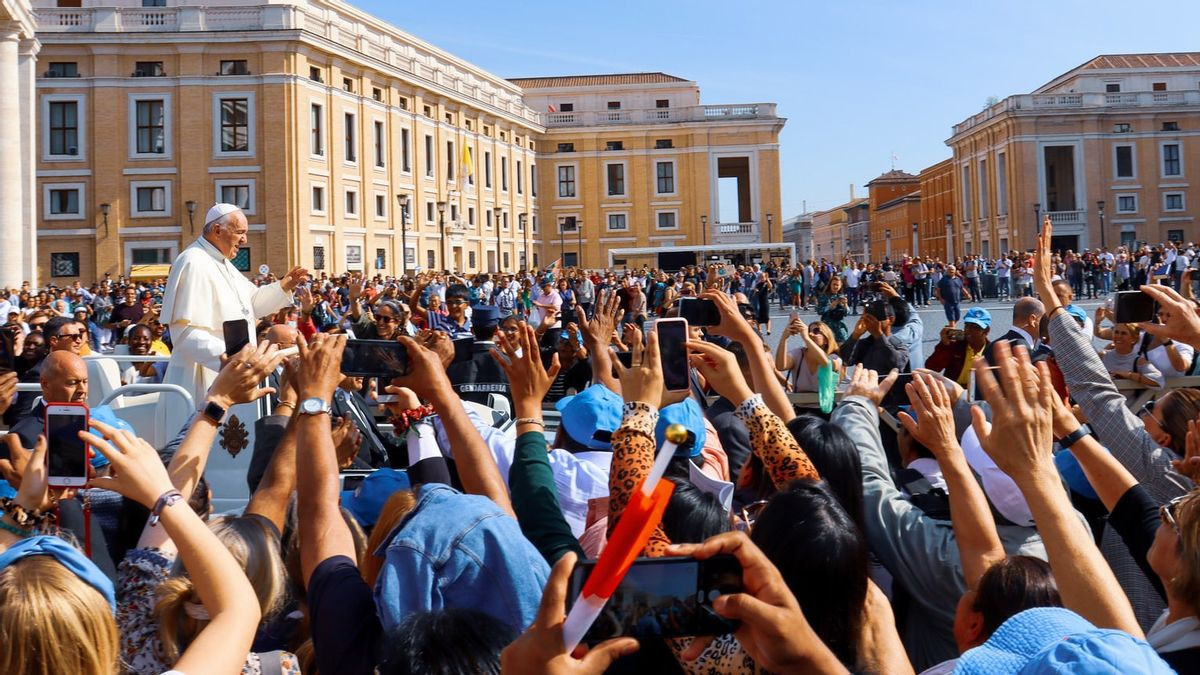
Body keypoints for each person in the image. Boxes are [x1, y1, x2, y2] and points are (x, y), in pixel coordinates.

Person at [158, 203, 306, 422]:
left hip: (233, 374)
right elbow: (184, 334)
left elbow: (253, 303)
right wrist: (231, 359)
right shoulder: (193, 261)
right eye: (240, 232)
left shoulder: (222, 262)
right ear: (217, 230)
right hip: (201, 379)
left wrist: (284, 286)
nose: (245, 240)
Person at [839, 300, 909, 375]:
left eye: (878, 316)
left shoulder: (898, 345)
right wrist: (855, 335)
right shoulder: (864, 344)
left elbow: (898, 366)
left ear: (891, 320)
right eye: (871, 316)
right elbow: (844, 361)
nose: (874, 320)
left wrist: (879, 336)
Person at [776, 318, 841, 392]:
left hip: (825, 403)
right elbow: (780, 366)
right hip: (800, 403)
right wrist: (784, 338)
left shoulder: (835, 357)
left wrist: (807, 338)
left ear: (826, 339)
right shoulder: (799, 353)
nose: (810, 334)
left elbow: (826, 365)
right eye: (808, 331)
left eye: (816, 331)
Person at [981, 296, 1044, 366]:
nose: (1047, 323)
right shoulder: (1023, 351)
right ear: (1032, 320)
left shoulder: (992, 346)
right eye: (1043, 319)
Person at [1103, 323, 1164, 390]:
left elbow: (1159, 380)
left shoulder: (1138, 361)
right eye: (1116, 332)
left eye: (1123, 333)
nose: (1118, 336)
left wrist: (1129, 375)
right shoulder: (1102, 356)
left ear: (1133, 339)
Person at [818, 275, 850, 344]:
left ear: (841, 286)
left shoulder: (841, 296)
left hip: (840, 328)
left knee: (843, 350)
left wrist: (845, 304)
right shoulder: (823, 296)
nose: (835, 286)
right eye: (834, 284)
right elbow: (819, 311)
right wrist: (830, 306)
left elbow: (846, 313)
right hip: (827, 327)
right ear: (830, 285)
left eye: (837, 285)